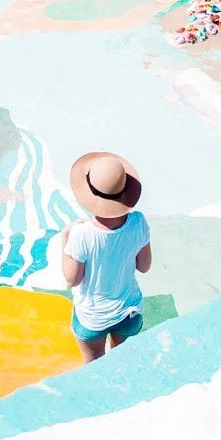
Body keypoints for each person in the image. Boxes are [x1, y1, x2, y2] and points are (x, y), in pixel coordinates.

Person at [62, 152, 151, 363]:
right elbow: (144, 266)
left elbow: (72, 279)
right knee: (121, 364)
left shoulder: (81, 234)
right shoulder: (139, 222)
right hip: (129, 311)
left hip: (92, 317)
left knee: (94, 370)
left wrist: (65, 239)